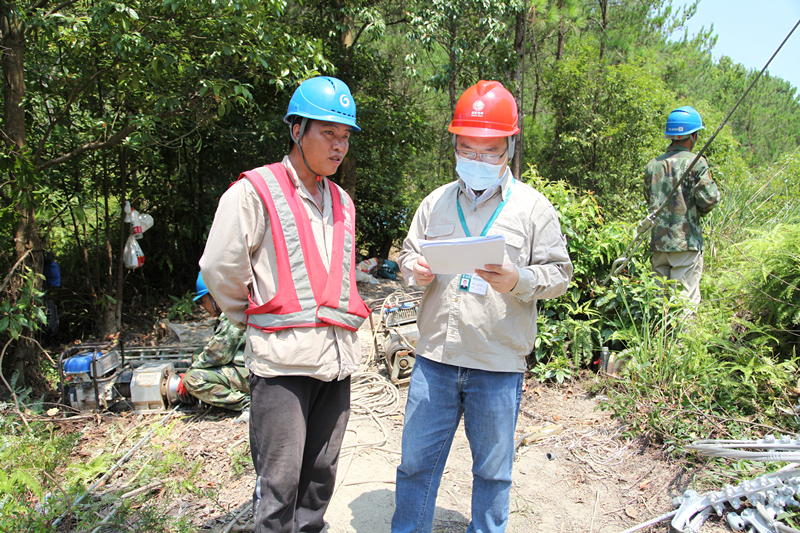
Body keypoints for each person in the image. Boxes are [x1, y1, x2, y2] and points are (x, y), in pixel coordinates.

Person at [392, 80, 573, 533]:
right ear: (454, 144)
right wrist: (413, 269)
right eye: (467, 149)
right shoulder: (435, 203)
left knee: (492, 474)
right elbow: (406, 258)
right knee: (415, 465)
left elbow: (560, 275)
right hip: (435, 358)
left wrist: (519, 279)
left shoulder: (533, 209)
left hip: (496, 363)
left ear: (508, 147)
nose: (477, 161)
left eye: (489, 150)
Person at [199, 76, 370, 533]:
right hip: (281, 365)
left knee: (319, 480)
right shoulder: (254, 192)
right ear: (297, 130)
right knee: (279, 486)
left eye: (345, 137)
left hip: (334, 363)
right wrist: (250, 314)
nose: (339, 147)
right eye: (328, 134)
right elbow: (219, 266)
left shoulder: (343, 202)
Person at [644, 105, 720, 305]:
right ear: (693, 136)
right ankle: (680, 338)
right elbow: (710, 198)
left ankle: (654, 336)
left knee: (658, 302)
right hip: (685, 243)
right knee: (684, 302)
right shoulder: (697, 162)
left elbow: (649, 197)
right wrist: (699, 211)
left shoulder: (653, 165)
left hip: (659, 244)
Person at [179, 272, 250, 413]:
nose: (203, 306)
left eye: (203, 300)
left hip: (251, 375)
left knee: (192, 379)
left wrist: (189, 373)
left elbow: (217, 355)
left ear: (215, 297)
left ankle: (246, 402)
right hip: (251, 368)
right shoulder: (239, 307)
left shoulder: (231, 316)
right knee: (198, 355)